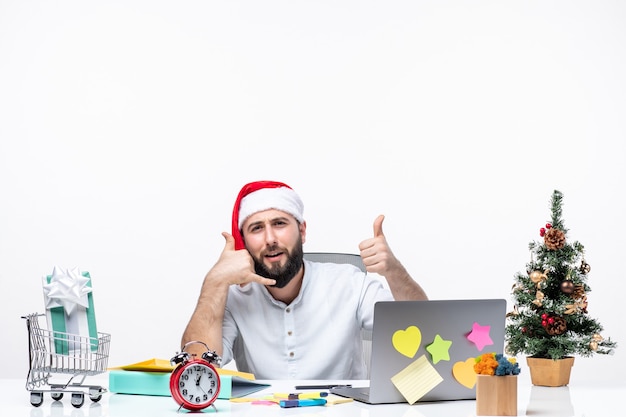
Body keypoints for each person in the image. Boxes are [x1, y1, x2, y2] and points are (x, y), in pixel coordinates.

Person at [181, 180, 427, 379]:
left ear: (302, 231)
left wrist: (394, 271)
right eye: (257, 228)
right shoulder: (235, 298)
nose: (269, 239)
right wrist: (214, 282)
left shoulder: (351, 283)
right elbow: (194, 368)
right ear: (244, 243)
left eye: (279, 224)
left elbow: (425, 333)